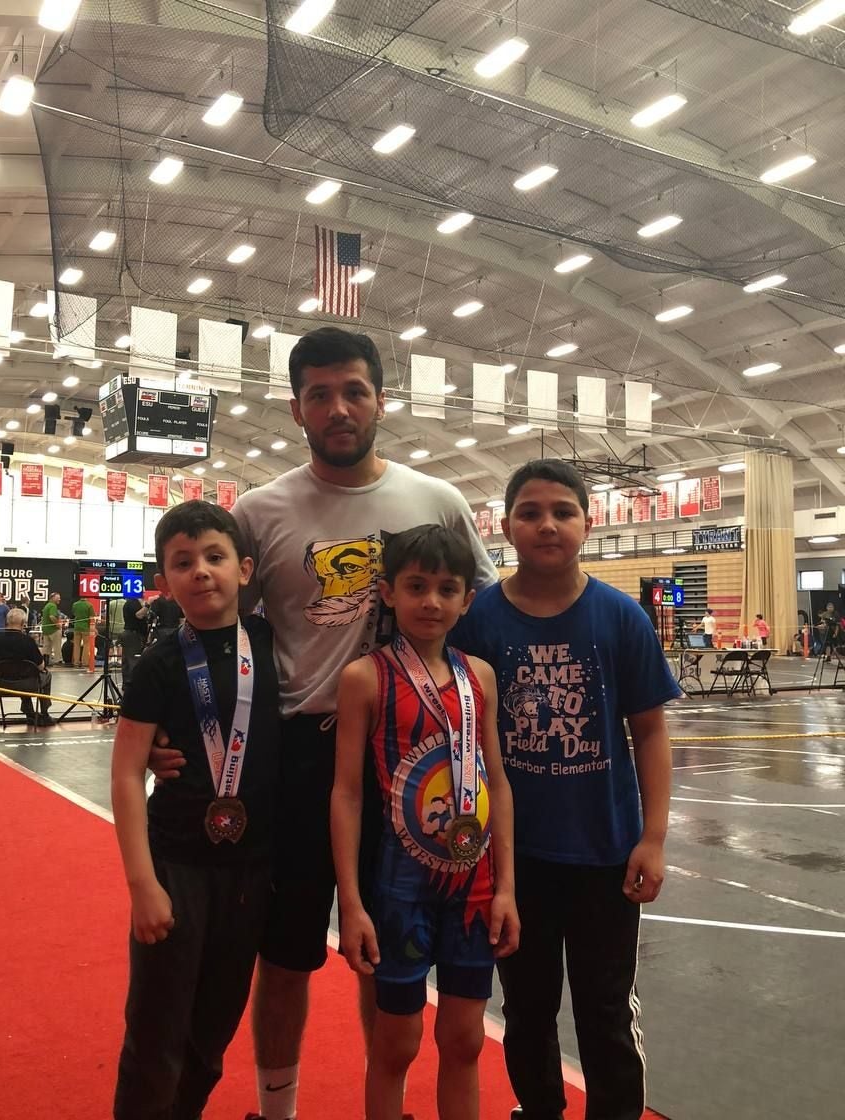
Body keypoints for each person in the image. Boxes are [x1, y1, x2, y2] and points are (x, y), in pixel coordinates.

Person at [149, 326, 496, 1120]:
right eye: (320, 395)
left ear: (381, 400)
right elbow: (212, 628)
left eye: (354, 392)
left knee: (387, 949)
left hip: (415, 757)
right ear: (296, 408)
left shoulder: (437, 501)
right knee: (286, 954)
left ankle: (386, 1107)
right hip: (300, 759)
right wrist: (169, 727)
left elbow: (483, 615)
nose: (338, 408)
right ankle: (277, 1112)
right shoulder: (260, 511)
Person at [450, 459, 680, 1120]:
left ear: (588, 522)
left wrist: (653, 838)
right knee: (526, 1008)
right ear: (505, 527)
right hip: (515, 861)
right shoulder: (479, 621)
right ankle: (540, 1110)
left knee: (606, 1010)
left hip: (606, 855)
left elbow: (650, 733)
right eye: (530, 512)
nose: (547, 525)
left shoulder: (621, 618)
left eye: (562, 512)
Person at [332, 525, 519, 1120]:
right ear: (388, 592)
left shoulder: (480, 676)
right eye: (416, 587)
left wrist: (507, 888)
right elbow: (347, 794)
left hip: (475, 889)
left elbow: (497, 781)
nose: (431, 601)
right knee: (396, 1043)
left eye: (446, 589)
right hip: (400, 890)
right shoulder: (365, 678)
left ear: (468, 599)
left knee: (465, 1041)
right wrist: (351, 904)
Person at [110, 500, 281, 1120]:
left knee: (214, 1027)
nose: (201, 571)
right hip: (176, 864)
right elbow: (126, 772)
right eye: (183, 563)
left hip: (250, 871)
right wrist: (142, 884)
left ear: (244, 569)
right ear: (164, 580)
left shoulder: (270, 642)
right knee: (157, 1027)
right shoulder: (158, 665)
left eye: (214, 557)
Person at [0, 608, 55, 726]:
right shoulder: (28, 641)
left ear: (7, 621)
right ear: (23, 623)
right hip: (28, 684)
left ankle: (29, 712)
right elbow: (41, 666)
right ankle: (44, 713)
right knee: (46, 675)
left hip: (4, 684)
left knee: (21, 675)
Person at [120, 595, 149, 686]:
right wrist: (147, 605)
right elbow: (139, 615)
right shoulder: (133, 603)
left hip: (129, 634)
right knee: (134, 661)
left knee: (127, 661)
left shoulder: (130, 603)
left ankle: (127, 684)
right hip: (133, 635)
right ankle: (134, 685)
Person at [70, 593, 96, 667]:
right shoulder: (89, 605)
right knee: (86, 645)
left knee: (76, 645)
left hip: (77, 626)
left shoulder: (75, 604)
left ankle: (76, 662)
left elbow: (73, 614)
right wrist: (93, 629)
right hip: (85, 627)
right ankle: (84, 662)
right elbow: (91, 618)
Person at [40, 592, 64, 667]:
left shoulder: (47, 605)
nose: (59, 599)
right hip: (53, 630)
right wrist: (57, 624)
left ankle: (46, 661)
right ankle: (58, 661)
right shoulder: (53, 606)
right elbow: (52, 616)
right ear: (52, 598)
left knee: (46, 647)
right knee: (57, 646)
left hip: (46, 629)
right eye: (58, 598)